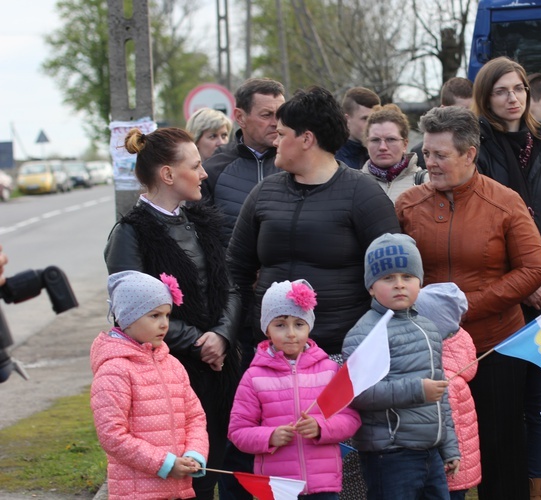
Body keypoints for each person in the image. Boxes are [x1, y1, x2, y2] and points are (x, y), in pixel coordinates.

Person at [226, 86, 399, 499]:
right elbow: (235, 270)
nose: (275, 139)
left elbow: (394, 279)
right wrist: (229, 333)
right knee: (278, 467)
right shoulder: (264, 193)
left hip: (336, 357)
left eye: (282, 131)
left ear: (306, 138)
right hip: (270, 363)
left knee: (342, 472)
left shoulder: (362, 194)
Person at [396, 105, 541, 499]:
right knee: (438, 450)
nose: (430, 163)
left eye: (440, 155)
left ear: (469, 154)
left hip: (495, 346)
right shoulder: (408, 205)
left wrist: (466, 306)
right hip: (427, 351)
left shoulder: (505, 202)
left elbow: (534, 268)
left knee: (501, 447)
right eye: (426, 153)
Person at [104, 127, 241, 500]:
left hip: (220, 368)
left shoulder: (203, 221)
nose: (204, 173)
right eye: (195, 166)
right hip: (164, 379)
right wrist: (199, 342)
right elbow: (130, 312)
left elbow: (228, 286)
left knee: (220, 468)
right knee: (183, 481)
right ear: (168, 174)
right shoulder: (131, 233)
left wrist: (223, 335)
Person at [473, 56, 541, 498]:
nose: (513, 98)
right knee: (501, 409)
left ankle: (536, 490)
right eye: (501, 90)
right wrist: (526, 281)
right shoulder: (476, 151)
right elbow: (484, 230)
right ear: (486, 97)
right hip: (504, 300)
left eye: (518, 89)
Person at [342, 233, 461, 500]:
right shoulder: (365, 333)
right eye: (387, 278)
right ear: (371, 287)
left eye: (407, 277)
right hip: (390, 455)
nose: (399, 285)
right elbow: (358, 393)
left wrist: (449, 447)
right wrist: (417, 390)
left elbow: (441, 396)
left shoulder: (429, 328)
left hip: (430, 451)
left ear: (420, 282)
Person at [228, 279, 361, 499]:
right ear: (267, 330)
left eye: (299, 324)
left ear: (309, 326)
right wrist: (269, 436)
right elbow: (238, 431)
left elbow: (350, 418)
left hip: (324, 486)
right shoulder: (254, 376)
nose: (291, 333)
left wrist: (321, 428)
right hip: (278, 488)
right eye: (280, 325)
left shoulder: (329, 370)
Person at [90, 270, 209, 500]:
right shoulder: (115, 370)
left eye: (167, 315)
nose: (164, 324)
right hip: (138, 493)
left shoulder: (172, 364)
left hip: (180, 490)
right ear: (128, 317)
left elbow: (195, 417)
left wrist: (194, 454)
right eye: (154, 316)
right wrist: (164, 464)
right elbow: (111, 435)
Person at [415, 283, 481, 500]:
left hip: (447, 472)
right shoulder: (451, 361)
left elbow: (443, 425)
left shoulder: (445, 376)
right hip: (454, 472)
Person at [201, 77, 285, 245]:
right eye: (266, 115)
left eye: (281, 114)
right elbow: (203, 239)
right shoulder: (212, 171)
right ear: (240, 117)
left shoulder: (298, 166)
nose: (275, 123)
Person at [362, 104, 426, 202]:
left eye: (391, 139)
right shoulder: (351, 185)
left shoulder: (427, 183)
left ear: (405, 144)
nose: (382, 147)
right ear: (367, 143)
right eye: (375, 140)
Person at [412, 77, 474, 168]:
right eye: (462, 112)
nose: (470, 117)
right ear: (444, 109)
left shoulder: (489, 145)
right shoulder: (419, 155)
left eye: (473, 110)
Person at [335, 87, 381, 169]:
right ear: (347, 119)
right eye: (365, 119)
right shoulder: (331, 160)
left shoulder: (385, 154)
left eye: (375, 118)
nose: (372, 125)